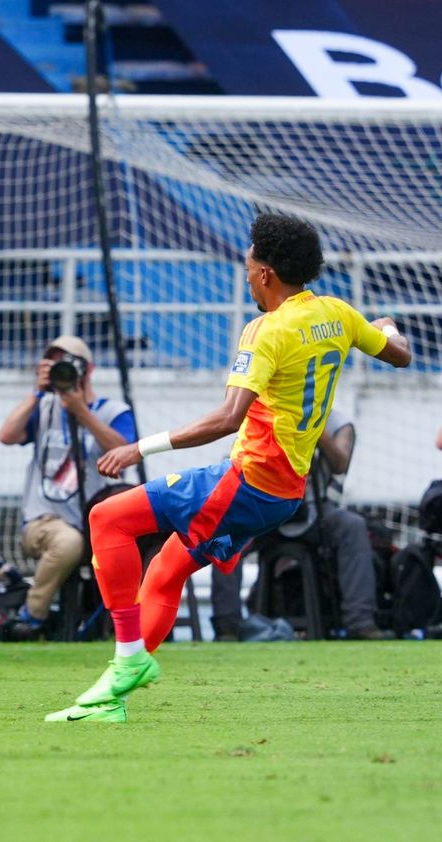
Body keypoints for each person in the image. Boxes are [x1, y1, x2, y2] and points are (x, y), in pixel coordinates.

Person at [46, 213, 411, 723]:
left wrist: (139, 449)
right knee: (166, 572)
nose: (245, 272)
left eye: (248, 263)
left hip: (245, 481)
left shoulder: (265, 330)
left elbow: (226, 418)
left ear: (265, 273)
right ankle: (111, 702)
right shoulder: (339, 315)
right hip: (282, 495)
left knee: (107, 519)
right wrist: (387, 325)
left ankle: (129, 656)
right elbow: (401, 354)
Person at [211, 406, 393, 641]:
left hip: (316, 511)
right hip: (265, 507)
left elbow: (340, 464)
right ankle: (227, 627)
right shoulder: (265, 409)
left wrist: (317, 431)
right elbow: (233, 460)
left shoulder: (339, 423)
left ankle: (360, 622)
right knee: (225, 532)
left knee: (353, 526)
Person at [0, 336, 136, 633]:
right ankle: (31, 616)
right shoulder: (44, 407)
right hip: (44, 521)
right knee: (69, 542)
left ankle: (125, 626)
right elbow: (6, 436)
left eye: (67, 363)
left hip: (98, 521)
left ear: (88, 369)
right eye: (54, 363)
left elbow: (127, 453)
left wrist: (82, 413)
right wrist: (37, 393)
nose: (61, 370)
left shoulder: (114, 411)